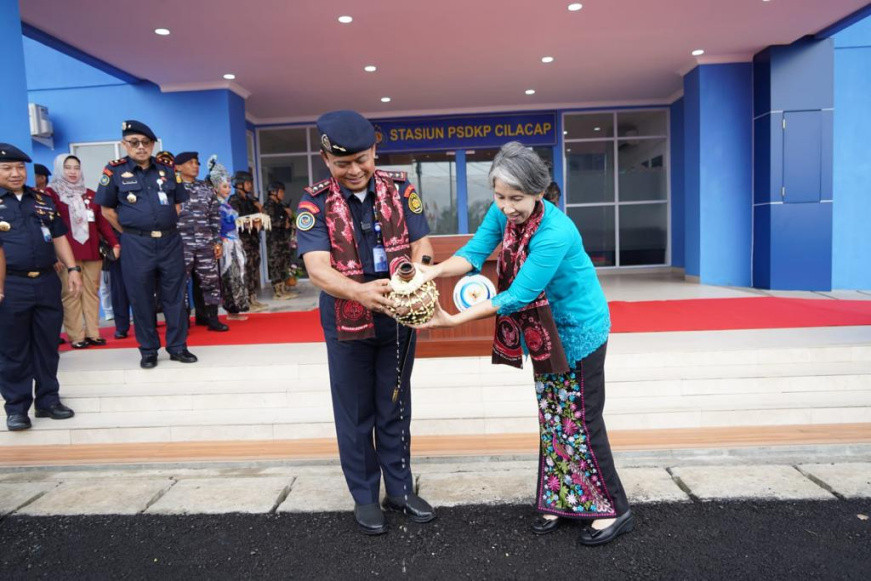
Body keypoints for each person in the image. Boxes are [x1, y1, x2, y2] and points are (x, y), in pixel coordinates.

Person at [415, 142, 633, 546]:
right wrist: (428, 276)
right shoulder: (505, 217)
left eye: (516, 198)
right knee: (553, 417)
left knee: (582, 419)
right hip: (544, 329)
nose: (506, 206)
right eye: (499, 196)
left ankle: (616, 509)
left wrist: (452, 320)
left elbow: (519, 293)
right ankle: (562, 499)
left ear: (538, 192)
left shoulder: (556, 231)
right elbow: (474, 252)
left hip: (580, 330)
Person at [296, 110, 435, 535]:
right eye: (343, 163)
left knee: (394, 402)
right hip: (346, 321)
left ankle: (401, 488)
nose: (355, 170)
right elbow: (317, 269)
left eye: (362, 159)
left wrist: (418, 277)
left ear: (375, 151)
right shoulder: (313, 203)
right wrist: (359, 292)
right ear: (326, 160)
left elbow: (421, 244)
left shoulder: (400, 189)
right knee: (355, 411)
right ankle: (363, 494)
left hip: (398, 314)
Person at [94, 120, 198, 369]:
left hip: (170, 241)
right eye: (134, 142)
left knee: (175, 295)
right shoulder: (114, 171)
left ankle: (177, 346)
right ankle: (148, 350)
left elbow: (177, 205)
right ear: (124, 144)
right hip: (136, 243)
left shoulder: (168, 170)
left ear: (152, 145)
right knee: (141, 297)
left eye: (145, 142)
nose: (140, 147)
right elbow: (107, 210)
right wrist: (131, 232)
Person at [0, 143, 82, 431]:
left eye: (20, 168)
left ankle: (48, 399)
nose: (15, 173)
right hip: (11, 285)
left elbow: (59, 236)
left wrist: (72, 268)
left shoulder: (42, 200)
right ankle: (17, 407)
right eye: (7, 168)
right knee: (13, 349)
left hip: (47, 280)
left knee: (47, 344)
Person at [45, 154, 120, 349]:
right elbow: (47, 226)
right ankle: (76, 336)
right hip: (66, 255)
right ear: (60, 169)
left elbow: (102, 223)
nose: (72, 171)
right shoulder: (50, 194)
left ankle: (93, 333)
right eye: (67, 167)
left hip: (91, 250)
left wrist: (115, 244)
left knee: (91, 293)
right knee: (71, 294)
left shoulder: (90, 193)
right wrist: (53, 255)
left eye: (76, 167)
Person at [175, 151, 228, 332]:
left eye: (197, 163)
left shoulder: (205, 188)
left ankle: (212, 319)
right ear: (178, 167)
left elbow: (214, 216)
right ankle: (182, 322)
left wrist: (216, 242)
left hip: (205, 244)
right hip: (181, 245)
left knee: (210, 281)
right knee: (180, 284)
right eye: (190, 163)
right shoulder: (171, 187)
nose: (195, 166)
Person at [208, 156, 249, 321]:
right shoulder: (216, 205)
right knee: (229, 276)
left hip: (233, 242)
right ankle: (231, 309)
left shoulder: (225, 204)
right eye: (224, 186)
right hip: (225, 244)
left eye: (228, 186)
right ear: (216, 187)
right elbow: (215, 225)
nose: (228, 189)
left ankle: (235, 308)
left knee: (236, 275)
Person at [228, 170, 266, 311]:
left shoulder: (250, 200)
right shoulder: (234, 200)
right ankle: (244, 300)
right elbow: (235, 221)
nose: (250, 185)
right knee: (244, 270)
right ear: (239, 184)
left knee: (253, 268)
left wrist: (260, 210)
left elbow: (261, 217)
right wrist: (250, 222)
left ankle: (253, 297)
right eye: (248, 183)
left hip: (253, 240)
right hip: (242, 242)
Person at [263, 180, 297, 300]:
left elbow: (288, 221)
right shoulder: (268, 205)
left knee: (283, 264)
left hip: (283, 240)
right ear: (273, 192)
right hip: (274, 241)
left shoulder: (280, 205)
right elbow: (271, 221)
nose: (283, 194)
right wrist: (284, 223)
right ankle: (277, 292)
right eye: (281, 191)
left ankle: (283, 289)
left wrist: (289, 214)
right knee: (275, 264)